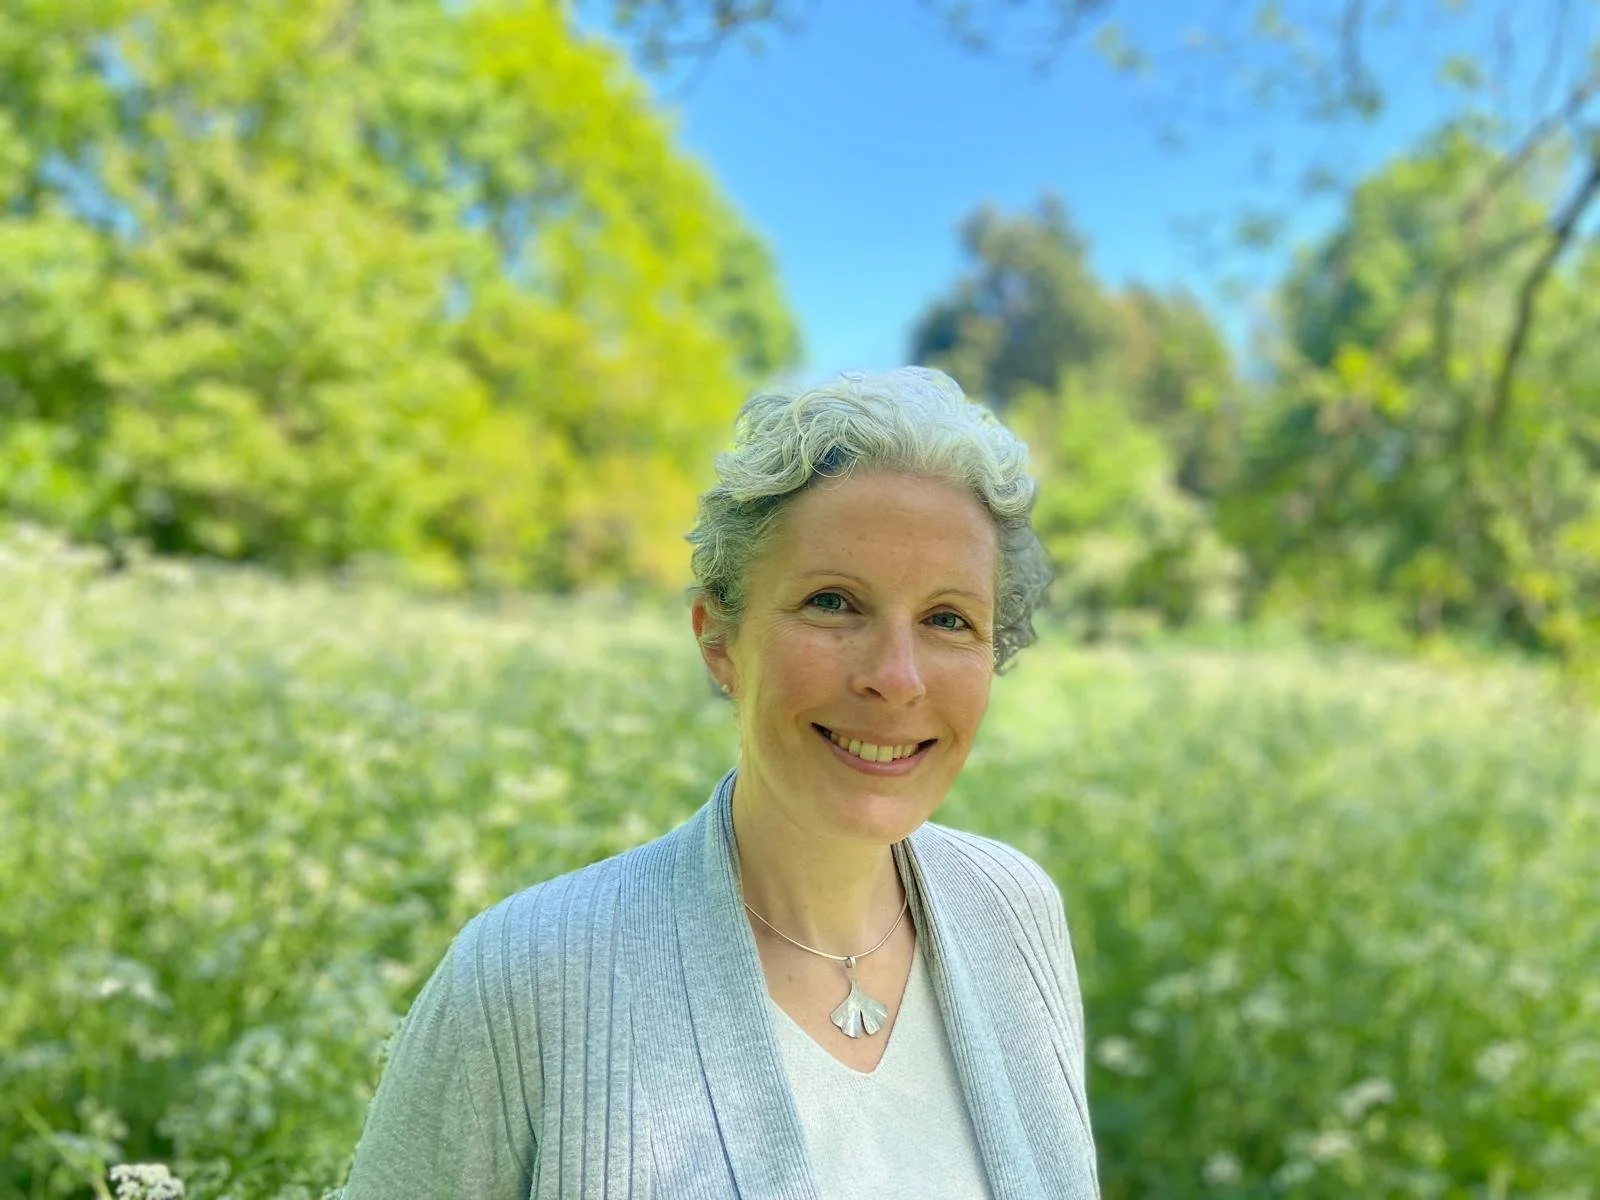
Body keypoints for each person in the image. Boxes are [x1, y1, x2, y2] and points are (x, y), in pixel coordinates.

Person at [338, 367, 1100, 1199]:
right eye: (833, 603)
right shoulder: (528, 976)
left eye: (949, 619)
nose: (896, 676)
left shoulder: (1016, 912)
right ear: (719, 640)